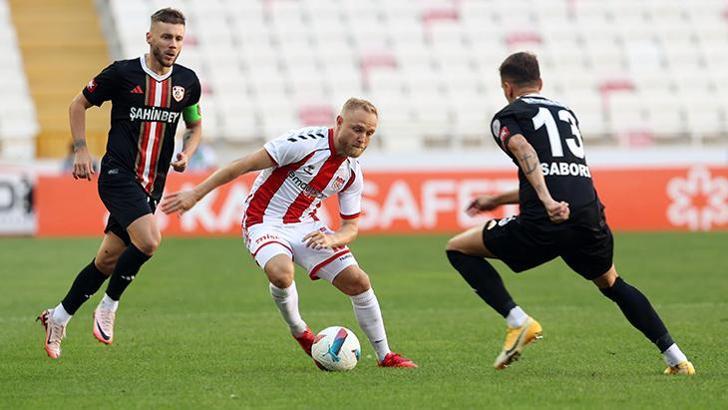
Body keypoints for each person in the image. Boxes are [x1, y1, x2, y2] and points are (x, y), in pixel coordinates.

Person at [445, 52, 694, 375]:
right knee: (612, 283)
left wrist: (547, 202)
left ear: (507, 87)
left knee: (458, 247)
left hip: (546, 218)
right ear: (541, 82)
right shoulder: (566, 113)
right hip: (587, 214)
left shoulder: (508, 116)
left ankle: (518, 322)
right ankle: (677, 359)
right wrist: (499, 198)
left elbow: (525, 152)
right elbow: (560, 171)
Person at [161, 98, 416, 368]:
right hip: (263, 220)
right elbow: (243, 164)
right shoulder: (304, 143)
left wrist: (333, 239)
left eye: (369, 133)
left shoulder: (351, 173)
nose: (362, 138)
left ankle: (385, 356)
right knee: (282, 274)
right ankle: (300, 331)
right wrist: (195, 194)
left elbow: (351, 227)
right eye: (357, 129)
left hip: (306, 226)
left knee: (359, 282)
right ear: (339, 122)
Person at [37, 8, 203, 359]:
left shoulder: (187, 83)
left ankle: (58, 317)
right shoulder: (123, 73)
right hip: (117, 175)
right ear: (149, 37)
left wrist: (188, 151)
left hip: (152, 184)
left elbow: (194, 125)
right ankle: (108, 307)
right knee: (150, 240)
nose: (172, 44)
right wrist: (81, 150)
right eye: (165, 37)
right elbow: (78, 104)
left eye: (177, 38)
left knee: (107, 261)